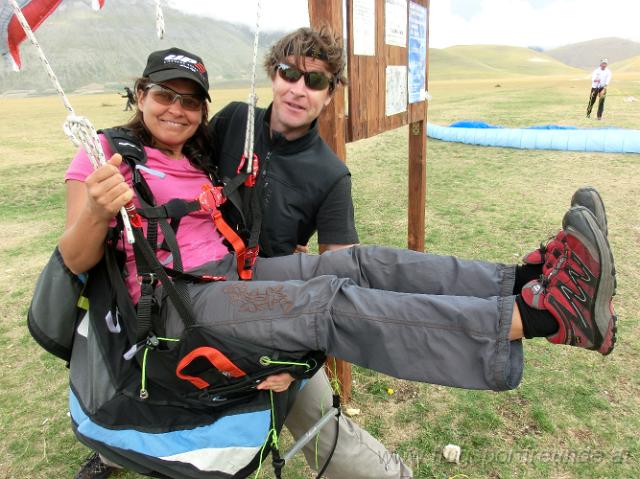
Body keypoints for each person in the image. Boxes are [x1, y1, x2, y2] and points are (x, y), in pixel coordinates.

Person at [61, 47, 618, 479]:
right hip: (175, 314)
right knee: (326, 305)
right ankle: (546, 317)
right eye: (164, 95)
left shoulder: (200, 151)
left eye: (189, 101)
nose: (176, 110)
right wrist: (97, 208)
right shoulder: (104, 158)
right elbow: (75, 258)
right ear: (140, 94)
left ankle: (528, 281)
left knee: (359, 266)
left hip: (231, 278)